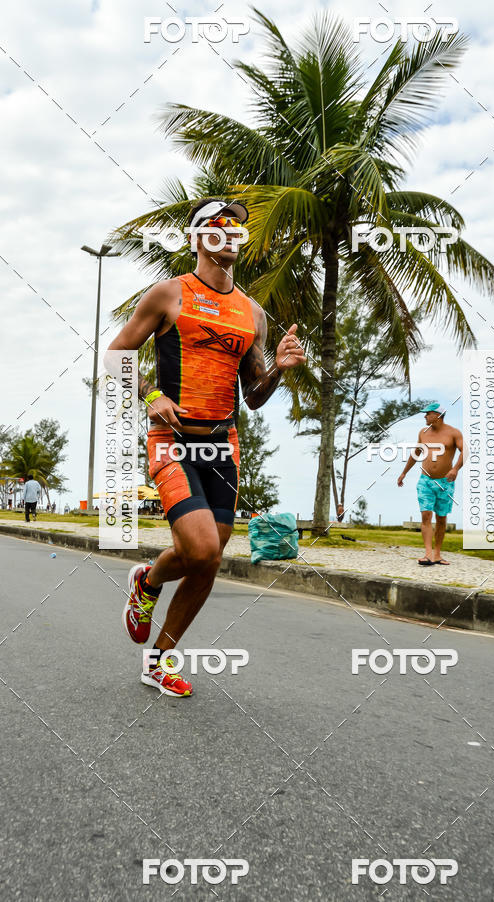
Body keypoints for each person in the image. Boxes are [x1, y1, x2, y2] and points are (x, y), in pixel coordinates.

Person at [107, 197, 306, 697]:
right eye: (219, 226)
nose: (230, 235)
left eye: (238, 229)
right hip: (171, 441)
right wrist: (150, 395)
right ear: (198, 238)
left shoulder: (253, 313)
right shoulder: (169, 294)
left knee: (209, 557)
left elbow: (254, 397)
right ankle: (148, 584)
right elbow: (116, 356)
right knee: (199, 547)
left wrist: (278, 367)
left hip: (222, 447)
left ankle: (158, 653)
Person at [397, 403, 464, 566]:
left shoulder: (454, 433)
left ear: (437, 415)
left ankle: (437, 554)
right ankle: (428, 554)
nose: (425, 416)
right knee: (426, 515)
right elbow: (416, 453)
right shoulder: (423, 432)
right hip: (425, 481)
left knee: (441, 518)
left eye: (428, 414)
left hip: (445, 483)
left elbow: (465, 451)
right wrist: (404, 472)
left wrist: (455, 469)